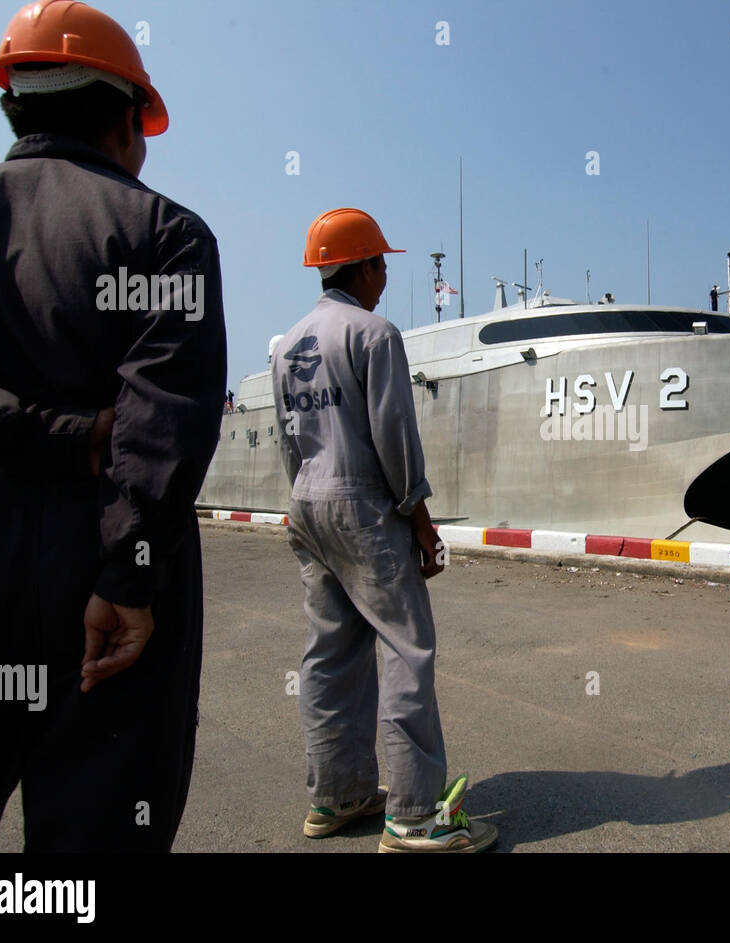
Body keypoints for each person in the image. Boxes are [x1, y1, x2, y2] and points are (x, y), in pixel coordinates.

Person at [0, 0, 226, 851]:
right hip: (104, 571)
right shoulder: (165, 234)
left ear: (14, 103)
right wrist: (128, 578)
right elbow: (163, 422)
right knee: (96, 836)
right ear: (127, 119)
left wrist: (36, 427)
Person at [272, 208, 496, 852]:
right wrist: (420, 520)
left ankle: (336, 796)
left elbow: (291, 442)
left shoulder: (287, 346)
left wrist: (302, 502)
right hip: (365, 507)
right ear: (364, 266)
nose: (386, 278)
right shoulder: (374, 335)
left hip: (307, 504)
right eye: (383, 265)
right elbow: (395, 437)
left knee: (330, 653)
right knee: (406, 649)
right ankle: (416, 817)